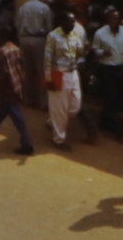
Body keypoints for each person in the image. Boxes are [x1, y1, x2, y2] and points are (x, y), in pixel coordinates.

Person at [0, 27, 33, 155]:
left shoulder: (2, 52)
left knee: (15, 115)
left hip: (7, 88)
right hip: (17, 84)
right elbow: (22, 67)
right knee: (2, 108)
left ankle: (26, 143)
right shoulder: (16, 49)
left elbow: (1, 74)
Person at [44, 11, 91, 150]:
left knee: (75, 106)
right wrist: (49, 79)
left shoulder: (75, 35)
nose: (73, 24)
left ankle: (53, 121)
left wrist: (86, 50)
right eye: (70, 21)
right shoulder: (52, 36)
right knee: (60, 107)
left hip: (73, 73)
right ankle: (59, 139)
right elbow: (47, 59)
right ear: (62, 22)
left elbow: (79, 53)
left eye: (74, 21)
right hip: (58, 73)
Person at [92, 9, 123, 138]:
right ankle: (115, 127)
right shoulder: (100, 33)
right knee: (111, 96)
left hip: (120, 68)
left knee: (119, 97)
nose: (113, 21)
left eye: (115, 18)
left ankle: (104, 120)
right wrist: (102, 53)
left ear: (120, 20)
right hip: (106, 69)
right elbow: (95, 49)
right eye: (110, 18)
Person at [15, 0, 52, 111]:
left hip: (24, 39)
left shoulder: (23, 7)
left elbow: (17, 25)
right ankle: (41, 102)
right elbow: (49, 28)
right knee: (41, 71)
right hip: (38, 40)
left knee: (27, 71)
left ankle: (27, 99)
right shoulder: (44, 8)